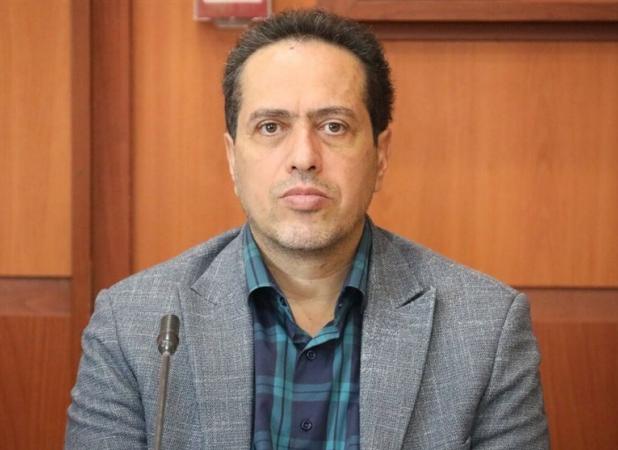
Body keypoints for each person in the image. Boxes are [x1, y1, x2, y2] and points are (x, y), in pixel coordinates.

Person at [65, 9, 548, 450]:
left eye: (334, 126)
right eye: (271, 127)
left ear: (380, 155)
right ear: (233, 158)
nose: (303, 157)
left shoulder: (485, 328)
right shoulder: (131, 324)